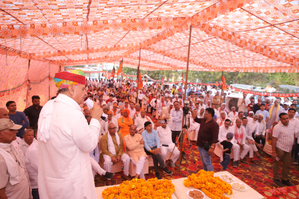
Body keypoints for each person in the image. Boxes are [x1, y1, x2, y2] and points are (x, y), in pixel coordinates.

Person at [37, 69, 103, 199]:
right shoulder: (73, 114)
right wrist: (95, 119)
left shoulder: (47, 107)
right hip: (72, 186)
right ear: (72, 89)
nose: (86, 93)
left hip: (53, 181)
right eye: (83, 89)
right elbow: (89, 145)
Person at [0, 118, 30, 199]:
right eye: (11, 130)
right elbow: (1, 192)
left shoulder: (11, 145)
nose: (16, 132)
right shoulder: (1, 157)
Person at [272, 113, 295, 187]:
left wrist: (292, 145)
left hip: (288, 149)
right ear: (280, 120)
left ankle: (285, 179)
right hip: (280, 148)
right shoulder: (277, 127)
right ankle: (276, 178)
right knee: (277, 163)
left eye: (287, 118)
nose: (286, 120)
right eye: (284, 119)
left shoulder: (291, 125)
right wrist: (273, 152)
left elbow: (293, 135)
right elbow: (274, 140)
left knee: (287, 165)